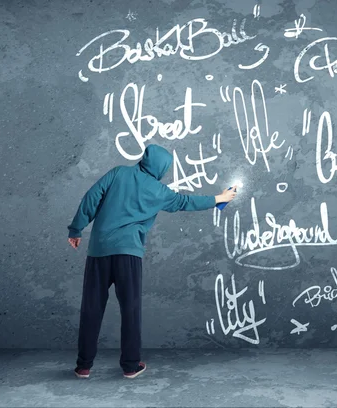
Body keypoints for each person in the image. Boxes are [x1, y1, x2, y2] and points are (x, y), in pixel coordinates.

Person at [67, 144, 237, 379]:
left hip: (99, 251)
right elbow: (186, 202)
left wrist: (76, 229)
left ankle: (83, 366)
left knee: (91, 309)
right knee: (131, 310)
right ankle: (130, 366)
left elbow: (91, 197)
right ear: (162, 168)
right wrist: (220, 198)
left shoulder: (118, 173)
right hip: (129, 255)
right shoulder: (159, 191)